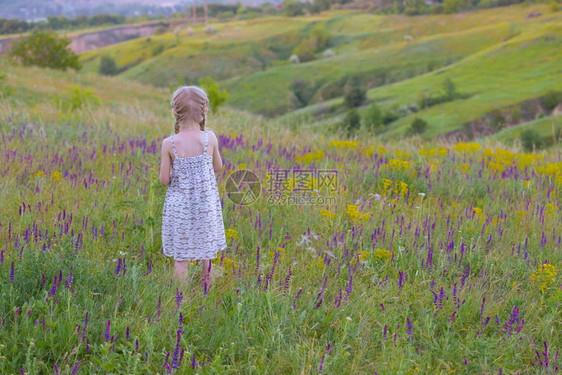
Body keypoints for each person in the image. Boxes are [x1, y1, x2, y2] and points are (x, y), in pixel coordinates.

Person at [159, 86, 227, 293]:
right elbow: (218, 167)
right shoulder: (210, 138)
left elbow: (163, 180)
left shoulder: (169, 143)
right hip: (205, 206)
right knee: (206, 253)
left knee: (181, 258)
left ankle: (182, 301)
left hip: (179, 208)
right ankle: (207, 292)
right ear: (205, 111)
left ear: (174, 112)